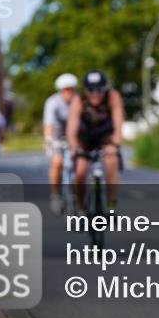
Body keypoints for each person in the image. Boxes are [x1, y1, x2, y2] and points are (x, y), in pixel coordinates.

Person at [67, 70, 123, 213]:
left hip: (105, 137)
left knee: (111, 161)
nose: (95, 94)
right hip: (84, 139)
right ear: (85, 90)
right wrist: (74, 147)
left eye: (99, 89)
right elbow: (71, 129)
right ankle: (81, 208)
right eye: (91, 90)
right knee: (80, 171)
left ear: (105, 88)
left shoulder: (113, 96)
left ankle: (111, 205)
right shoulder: (78, 100)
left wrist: (115, 144)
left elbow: (118, 124)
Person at [44, 73, 77, 214]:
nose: (69, 92)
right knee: (57, 162)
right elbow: (49, 124)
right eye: (66, 89)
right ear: (60, 90)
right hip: (57, 136)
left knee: (79, 164)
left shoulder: (78, 101)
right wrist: (48, 140)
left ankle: (78, 194)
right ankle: (55, 195)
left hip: (74, 136)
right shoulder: (52, 102)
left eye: (71, 89)